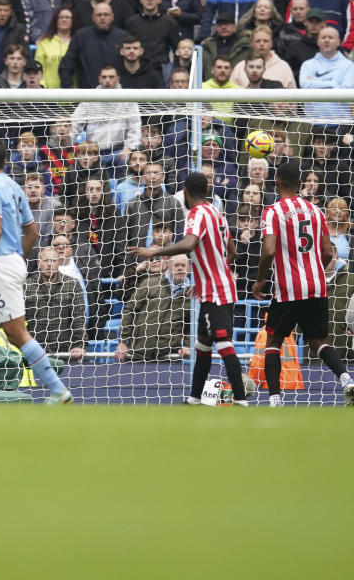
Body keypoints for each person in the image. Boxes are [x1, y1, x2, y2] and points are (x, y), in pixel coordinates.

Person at [0, 140, 72, 404]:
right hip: (10, 262)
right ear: (7, 161)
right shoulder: (14, 187)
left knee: (16, 334)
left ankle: (58, 390)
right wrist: (17, 260)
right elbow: (32, 231)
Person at [127, 172, 248, 406]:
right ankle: (194, 398)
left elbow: (190, 242)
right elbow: (232, 250)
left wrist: (154, 252)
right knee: (202, 343)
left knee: (223, 344)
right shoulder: (217, 213)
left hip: (216, 291)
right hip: (214, 287)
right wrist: (204, 278)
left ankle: (242, 400)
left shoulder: (197, 213)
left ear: (185, 192)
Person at [251, 161, 354, 407]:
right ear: (299, 184)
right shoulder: (316, 211)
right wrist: (314, 268)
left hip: (287, 290)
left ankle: (275, 399)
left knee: (273, 341)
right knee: (319, 341)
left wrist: (259, 280)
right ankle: (347, 380)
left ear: (276, 182)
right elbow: (328, 252)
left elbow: (267, 251)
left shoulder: (273, 211)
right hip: (316, 286)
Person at [24, 246, 87, 361]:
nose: (49, 264)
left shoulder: (72, 284)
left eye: (53, 261)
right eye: (46, 260)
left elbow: (78, 318)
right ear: (38, 263)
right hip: (32, 353)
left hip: (64, 353)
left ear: (59, 263)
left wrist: (79, 345)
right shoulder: (26, 286)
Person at [59, 2, 126, 89]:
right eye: (99, 15)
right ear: (93, 17)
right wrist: (71, 92)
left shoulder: (123, 37)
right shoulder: (81, 37)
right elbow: (65, 67)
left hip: (119, 97)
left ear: (112, 17)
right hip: (88, 96)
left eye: (106, 15)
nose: (102, 18)